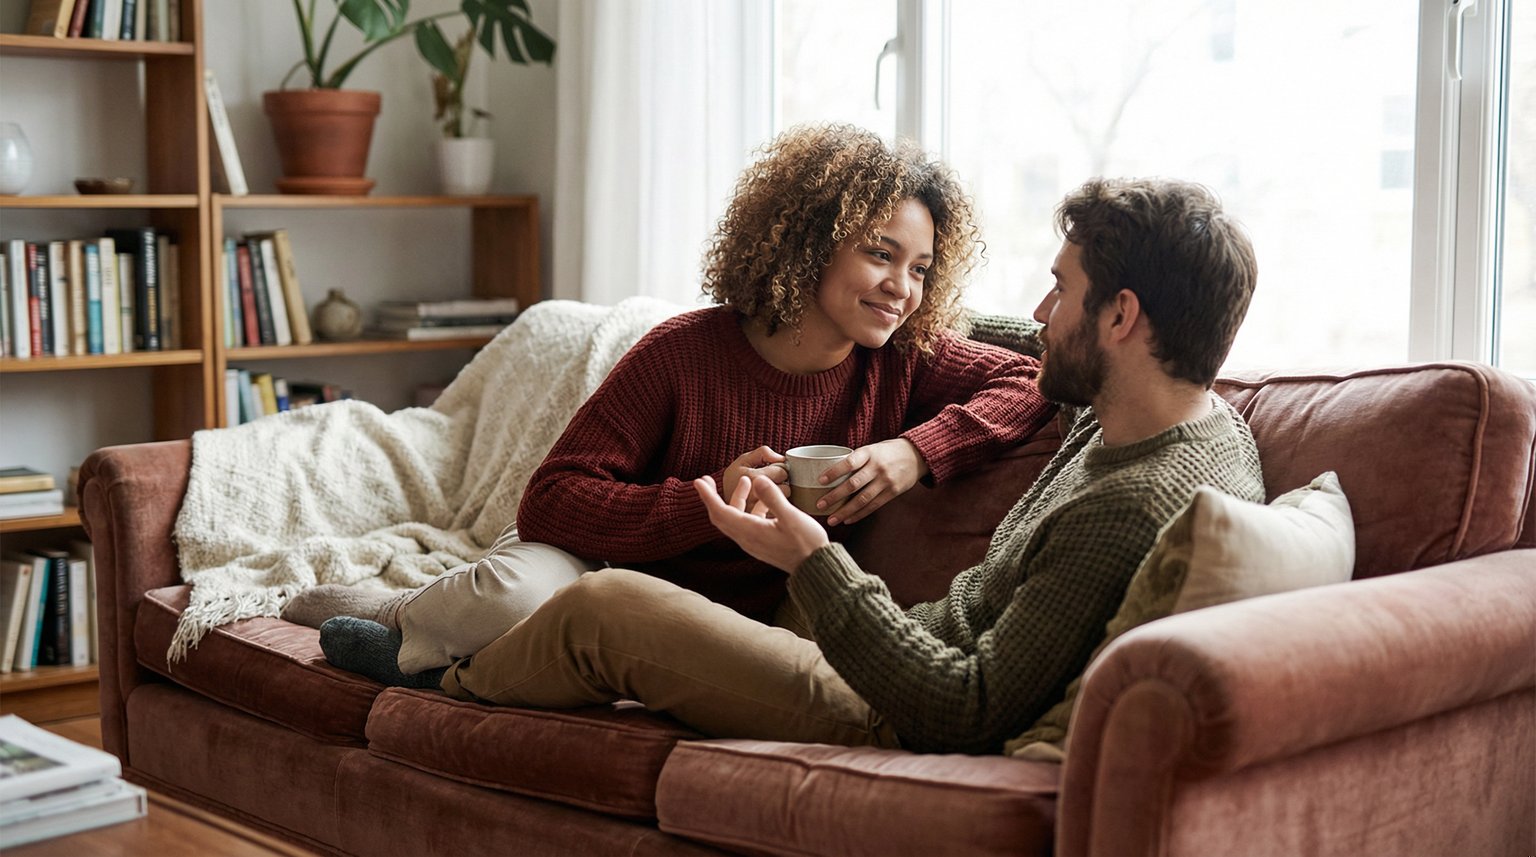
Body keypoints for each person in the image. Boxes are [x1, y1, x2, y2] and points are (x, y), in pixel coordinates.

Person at [431, 177, 1266, 755]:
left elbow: (964, 706)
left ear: (1121, 315)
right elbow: (1004, 348)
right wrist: (907, 398)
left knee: (604, 607)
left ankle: (437, 679)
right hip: (891, 639)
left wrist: (814, 561)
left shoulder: (1134, 497)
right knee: (565, 588)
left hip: (890, 702)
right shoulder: (1144, 411)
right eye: (882, 256)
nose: (1041, 313)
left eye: (1060, 289)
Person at [289, 123, 1056, 686]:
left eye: (921, 268)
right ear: (809, 244)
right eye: (880, 253)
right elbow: (552, 501)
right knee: (512, 591)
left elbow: (1032, 381)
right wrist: (704, 503)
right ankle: (397, 619)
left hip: (733, 616)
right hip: (605, 567)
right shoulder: (683, 352)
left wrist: (911, 452)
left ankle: (440, 661)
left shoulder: (903, 362)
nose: (902, 288)